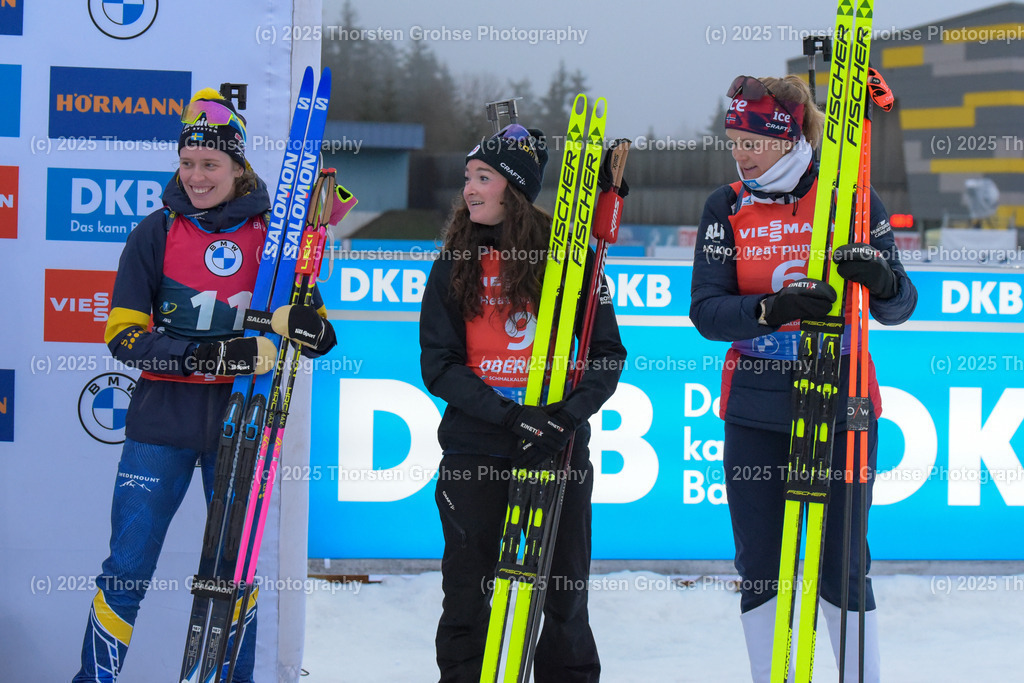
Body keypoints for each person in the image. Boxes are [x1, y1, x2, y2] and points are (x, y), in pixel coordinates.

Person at [72, 88, 337, 682]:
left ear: (238, 167)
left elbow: (320, 339)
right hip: (159, 425)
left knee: (232, 574)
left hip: (242, 428)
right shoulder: (155, 233)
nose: (195, 175)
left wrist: (300, 322)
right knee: (126, 571)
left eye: (210, 163)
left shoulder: (274, 238)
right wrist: (222, 353)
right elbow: (124, 339)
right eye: (187, 162)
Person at [690, 75, 918, 682]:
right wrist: (772, 308)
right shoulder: (727, 206)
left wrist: (883, 279)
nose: (740, 153)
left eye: (752, 142)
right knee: (762, 565)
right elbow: (706, 311)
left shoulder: (851, 196)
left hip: (842, 402)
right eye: (733, 139)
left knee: (841, 565)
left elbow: (899, 307)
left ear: (788, 137)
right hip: (756, 410)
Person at [419, 123, 626, 683]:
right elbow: (439, 365)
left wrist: (563, 417)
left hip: (557, 449)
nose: (469, 189)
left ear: (514, 188)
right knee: (469, 596)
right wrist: (512, 416)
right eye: (467, 178)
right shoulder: (452, 262)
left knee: (563, 601)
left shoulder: (573, 262)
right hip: (476, 449)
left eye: (483, 177)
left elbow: (606, 355)